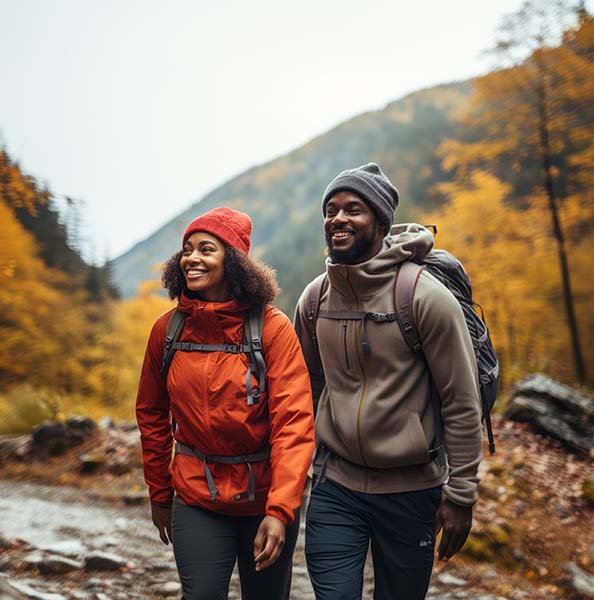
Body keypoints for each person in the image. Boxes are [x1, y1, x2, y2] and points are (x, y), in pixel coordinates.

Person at [293, 163, 483, 600]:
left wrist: (461, 495)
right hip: (335, 486)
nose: (338, 218)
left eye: (353, 209)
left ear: (380, 222)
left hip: (411, 490)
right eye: (331, 209)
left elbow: (460, 401)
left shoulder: (423, 297)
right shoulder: (315, 298)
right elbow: (307, 387)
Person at [136, 207, 314, 600]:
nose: (191, 259)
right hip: (197, 496)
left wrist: (280, 509)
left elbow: (294, 423)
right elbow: (151, 414)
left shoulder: (272, 327)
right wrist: (160, 493)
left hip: (264, 498)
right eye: (187, 249)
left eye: (206, 249)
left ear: (232, 260)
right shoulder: (167, 330)